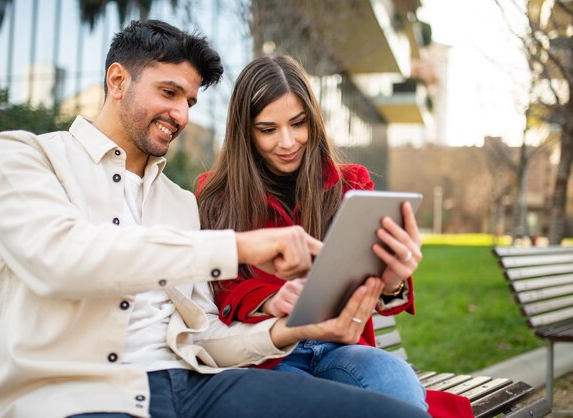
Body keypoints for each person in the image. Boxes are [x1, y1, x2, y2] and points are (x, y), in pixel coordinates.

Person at [0, 20, 431, 418]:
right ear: (117, 80)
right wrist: (240, 249)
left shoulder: (176, 203)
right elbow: (63, 260)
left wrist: (287, 331)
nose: (181, 114)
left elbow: (204, 333)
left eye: (190, 101)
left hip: (195, 386)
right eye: (169, 93)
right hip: (76, 395)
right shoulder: (24, 156)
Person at [196, 55, 473, 418]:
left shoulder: (350, 184)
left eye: (299, 123)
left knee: (397, 384)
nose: (288, 142)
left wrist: (392, 280)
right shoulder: (215, 195)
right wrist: (272, 301)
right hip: (265, 353)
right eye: (268, 129)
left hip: (340, 345)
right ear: (245, 131)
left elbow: (370, 274)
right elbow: (217, 289)